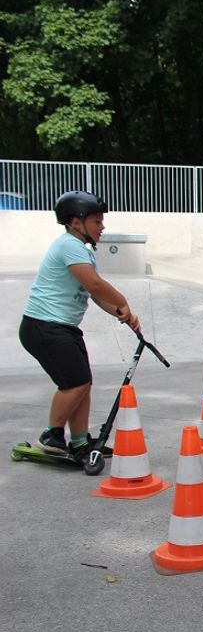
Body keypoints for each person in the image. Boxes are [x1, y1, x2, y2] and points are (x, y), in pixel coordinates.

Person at [19, 191, 142, 457]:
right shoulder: (68, 246)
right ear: (76, 222)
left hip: (62, 328)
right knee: (75, 383)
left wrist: (122, 313)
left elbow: (95, 295)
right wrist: (122, 301)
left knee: (83, 383)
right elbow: (94, 284)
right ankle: (51, 435)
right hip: (44, 326)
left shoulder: (82, 252)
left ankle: (79, 441)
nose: (102, 227)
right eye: (97, 221)